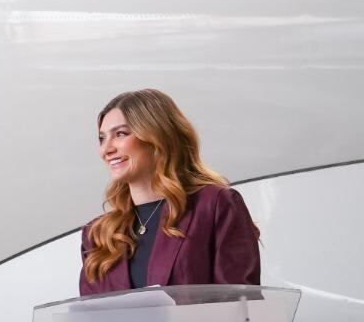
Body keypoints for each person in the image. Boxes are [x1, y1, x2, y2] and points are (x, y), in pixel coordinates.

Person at [81, 89, 260, 293]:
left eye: (120, 134)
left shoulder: (215, 206)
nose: (106, 149)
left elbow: (240, 308)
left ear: (157, 136)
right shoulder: (98, 234)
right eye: (102, 138)